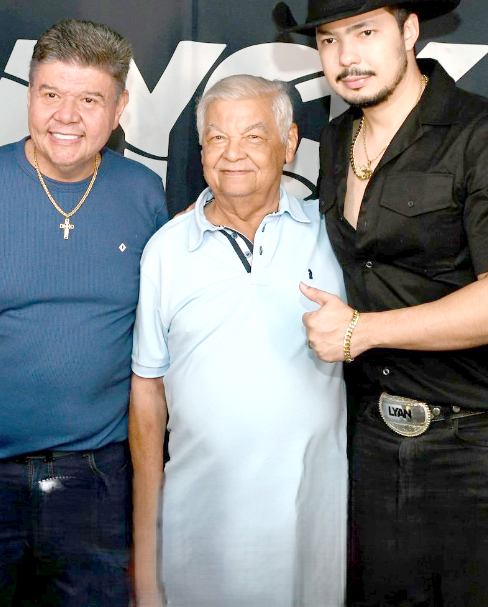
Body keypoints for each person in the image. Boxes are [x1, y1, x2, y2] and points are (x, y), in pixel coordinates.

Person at [278, 0, 488, 606]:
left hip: (480, 443)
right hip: (374, 441)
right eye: (329, 38)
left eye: (366, 31)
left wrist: (361, 332)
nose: (346, 56)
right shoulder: (336, 144)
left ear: (409, 31)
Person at [0, 18, 168, 606]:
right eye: (50, 94)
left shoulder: (145, 195)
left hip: (95, 479)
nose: (65, 117)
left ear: (119, 108)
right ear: (30, 96)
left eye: (89, 99)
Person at [129, 75, 348, 607]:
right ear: (201, 150)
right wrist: (144, 561)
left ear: (289, 143)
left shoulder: (332, 235)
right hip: (199, 533)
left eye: (253, 136)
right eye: (217, 138)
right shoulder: (165, 250)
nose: (233, 155)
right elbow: (146, 397)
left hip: (312, 531)